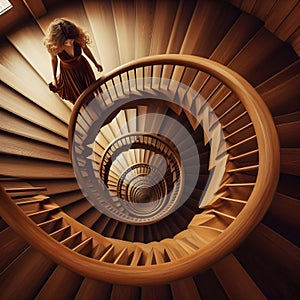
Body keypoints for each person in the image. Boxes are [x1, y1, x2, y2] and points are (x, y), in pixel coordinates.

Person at [44, 18, 103, 104]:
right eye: (66, 42)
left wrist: (95, 63)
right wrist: (54, 77)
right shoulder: (55, 46)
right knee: (79, 92)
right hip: (69, 72)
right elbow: (54, 60)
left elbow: (85, 49)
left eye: (71, 40)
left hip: (83, 66)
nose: (70, 43)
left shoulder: (77, 38)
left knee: (91, 86)